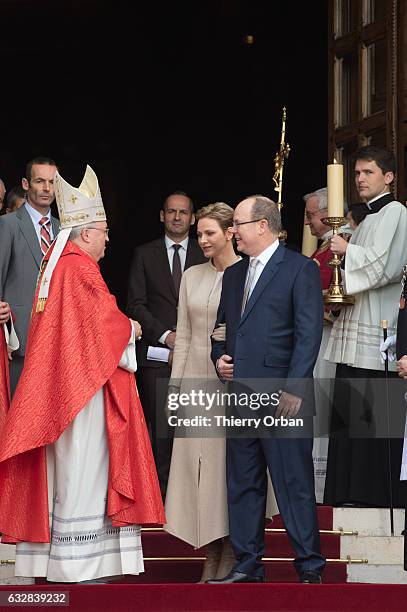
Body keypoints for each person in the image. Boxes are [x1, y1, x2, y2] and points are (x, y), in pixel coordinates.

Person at [0, 165, 164, 583]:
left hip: (69, 386)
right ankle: (80, 563)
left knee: (71, 471)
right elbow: (101, 326)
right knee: (84, 471)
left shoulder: (59, 263)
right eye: (105, 230)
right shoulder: (79, 267)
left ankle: (62, 561)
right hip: (82, 392)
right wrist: (132, 328)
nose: (110, 238)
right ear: (86, 232)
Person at [208, 195, 325, 585]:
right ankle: (247, 564)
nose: (232, 232)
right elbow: (222, 329)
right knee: (243, 482)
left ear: (262, 225)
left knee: (294, 482)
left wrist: (294, 389)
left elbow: (308, 336)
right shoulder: (234, 275)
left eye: (237, 224)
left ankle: (309, 566)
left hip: (283, 398)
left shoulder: (299, 268)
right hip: (241, 393)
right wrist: (220, 357)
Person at [324, 145, 407, 507]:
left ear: (388, 177)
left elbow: (385, 267)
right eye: (356, 173)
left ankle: (370, 493)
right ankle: (344, 490)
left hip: (378, 327)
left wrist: (346, 248)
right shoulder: (365, 219)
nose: (359, 179)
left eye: (368, 172)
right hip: (356, 321)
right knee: (348, 405)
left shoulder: (396, 213)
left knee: (372, 410)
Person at [127, 191, 206, 497]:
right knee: (160, 426)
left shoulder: (207, 252)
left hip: (199, 353)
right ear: (162, 216)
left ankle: (191, 494)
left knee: (195, 425)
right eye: (171, 212)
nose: (177, 217)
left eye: (183, 212)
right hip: (157, 355)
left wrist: (188, 340)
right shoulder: (144, 254)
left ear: (193, 217)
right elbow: (135, 305)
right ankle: (160, 496)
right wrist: (167, 336)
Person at [0, 157, 59, 394]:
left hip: (57, 339)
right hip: (19, 339)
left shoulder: (64, 229)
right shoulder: (8, 224)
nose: (46, 188)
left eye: (52, 182)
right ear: (26, 184)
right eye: (40, 181)